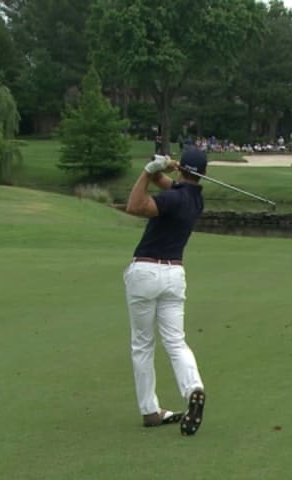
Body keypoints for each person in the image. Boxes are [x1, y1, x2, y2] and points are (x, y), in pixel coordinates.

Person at [123, 149, 208, 436]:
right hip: (174, 276)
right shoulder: (194, 199)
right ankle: (193, 387)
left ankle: (150, 410)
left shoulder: (173, 198)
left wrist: (148, 172)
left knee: (143, 345)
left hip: (146, 272)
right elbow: (171, 186)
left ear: (182, 169)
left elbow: (134, 206)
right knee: (175, 341)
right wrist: (164, 168)